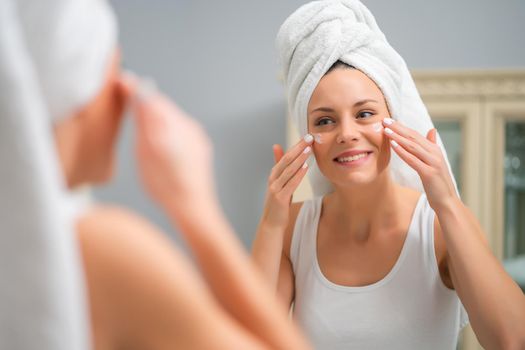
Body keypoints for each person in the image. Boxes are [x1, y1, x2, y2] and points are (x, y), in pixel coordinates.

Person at [0, 0, 311, 349]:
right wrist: (197, 210)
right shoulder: (101, 252)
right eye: (115, 69)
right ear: (77, 92)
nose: (121, 96)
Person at [252, 1, 525, 350]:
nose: (347, 133)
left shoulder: (440, 229)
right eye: (324, 120)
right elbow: (248, 340)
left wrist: (447, 203)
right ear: (309, 139)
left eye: (364, 113)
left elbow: (512, 340)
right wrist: (271, 223)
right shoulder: (292, 229)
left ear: (394, 121)